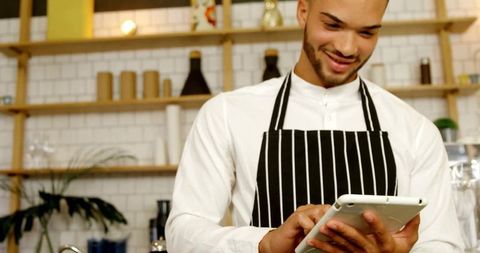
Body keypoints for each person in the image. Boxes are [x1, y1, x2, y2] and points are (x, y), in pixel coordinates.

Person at [165, 0, 463, 252]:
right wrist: (264, 243)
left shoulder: (415, 128)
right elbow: (183, 231)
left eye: (366, 32)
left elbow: (443, 243)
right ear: (303, 11)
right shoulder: (226, 113)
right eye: (333, 25)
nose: (347, 48)